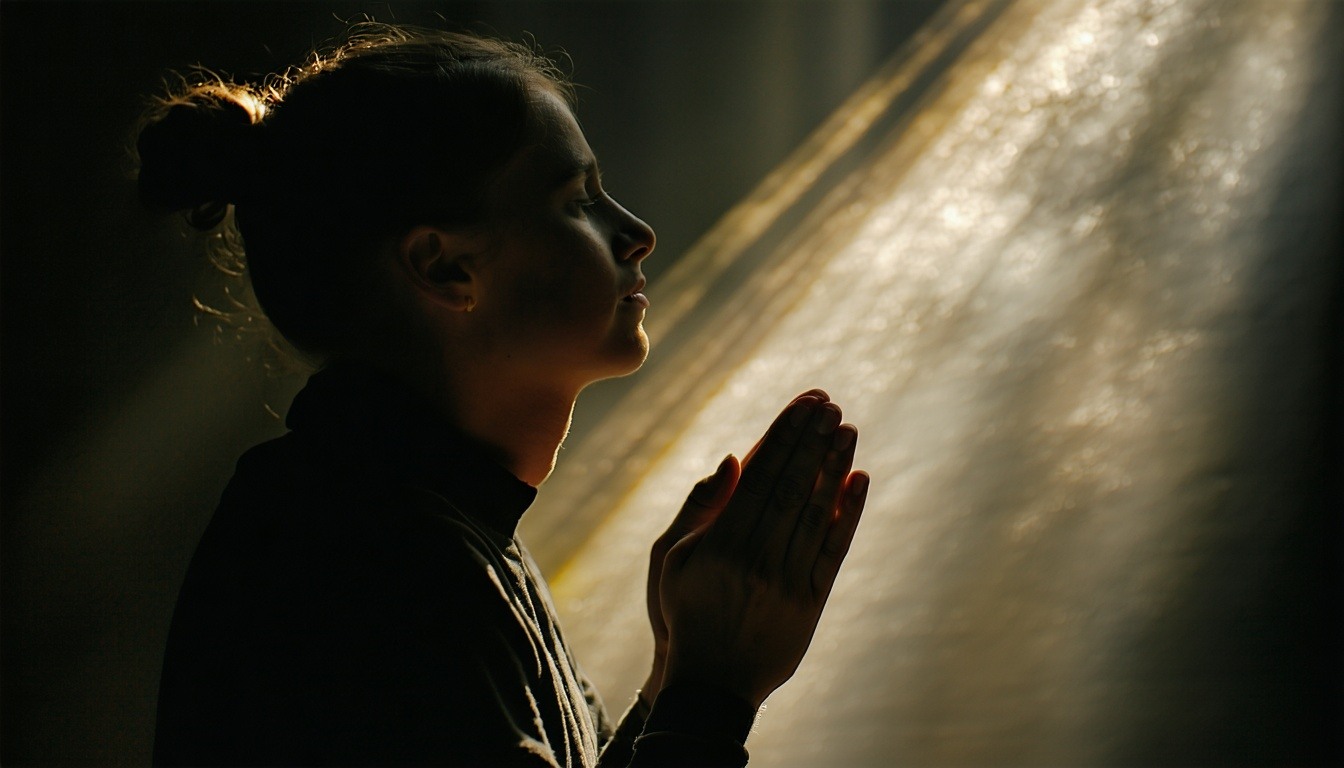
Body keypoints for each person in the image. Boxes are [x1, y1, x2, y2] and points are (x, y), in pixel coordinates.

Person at [137, 23, 869, 767]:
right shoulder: (372, 562)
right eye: (579, 200)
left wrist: (672, 672)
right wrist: (712, 689)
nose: (638, 234)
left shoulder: (412, 519)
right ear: (445, 267)